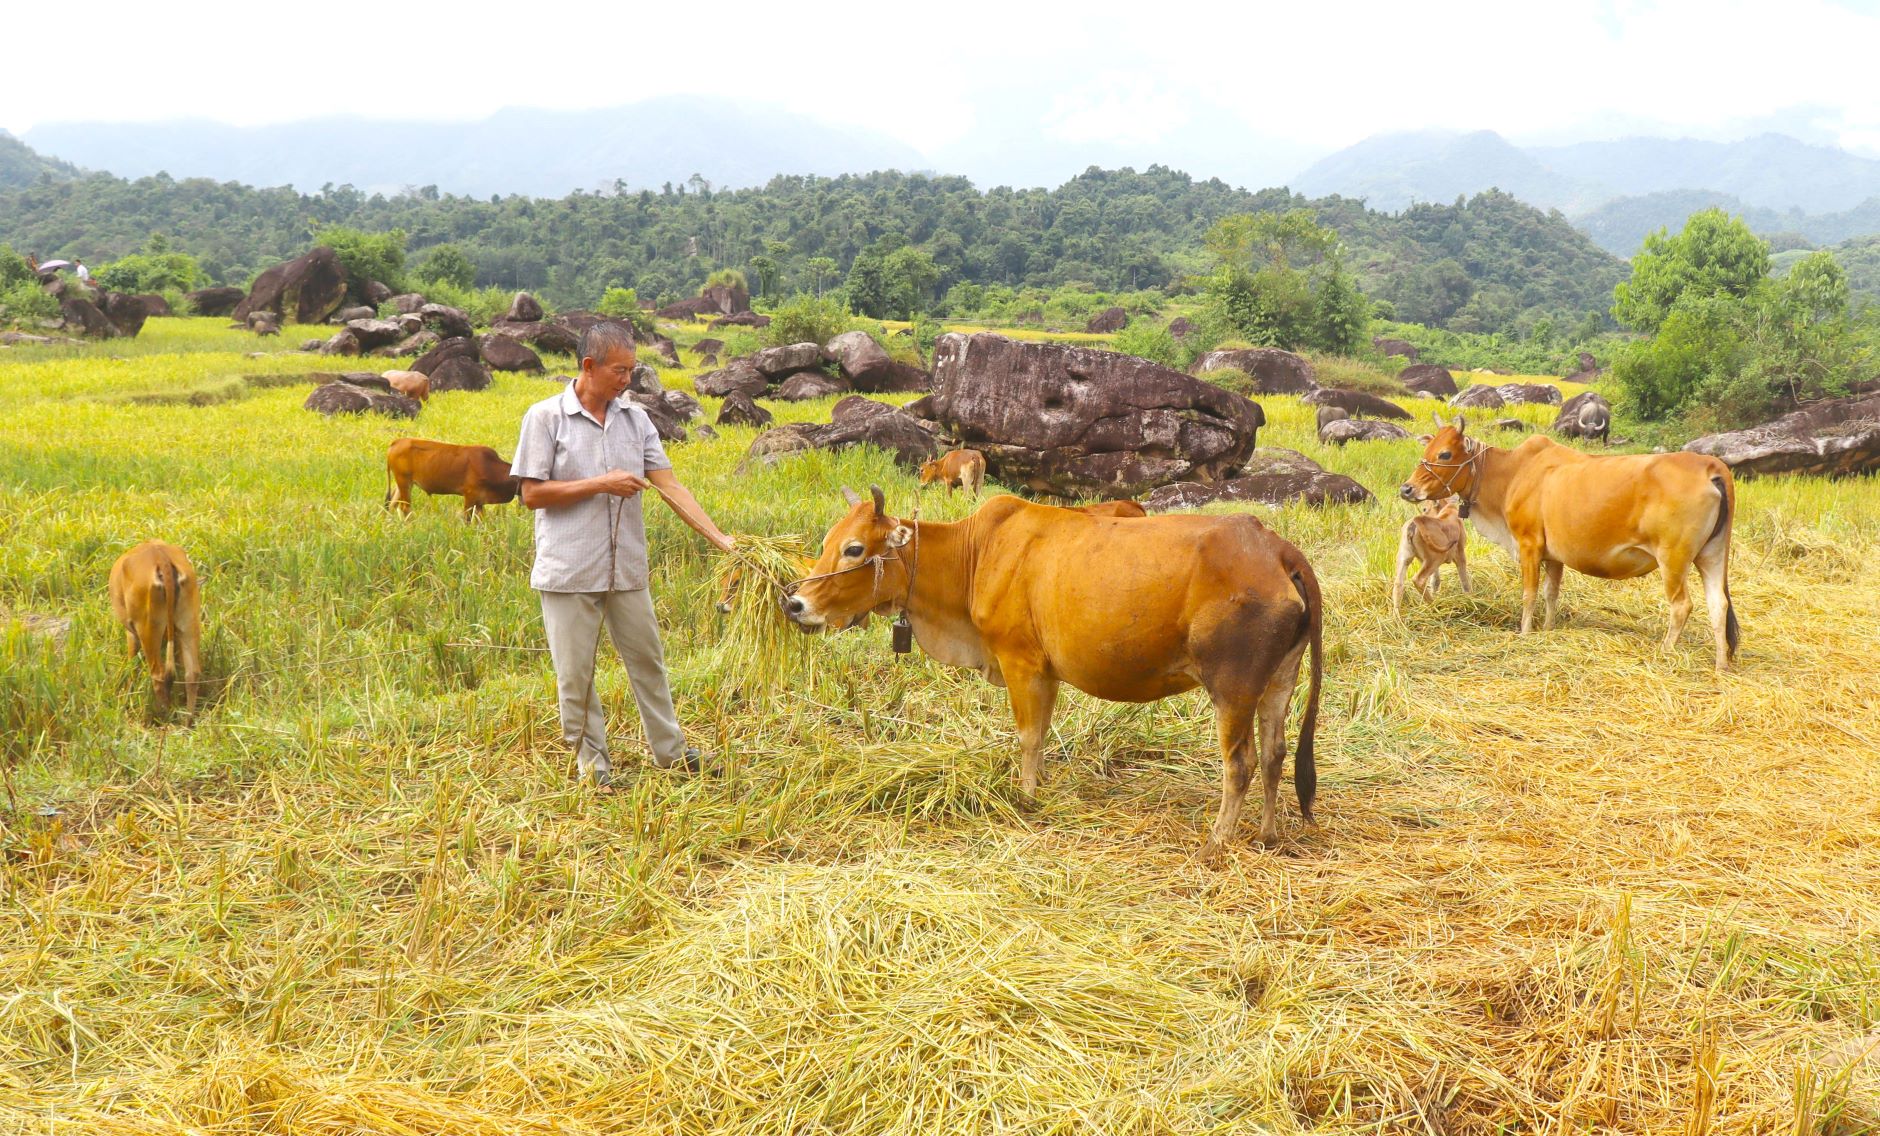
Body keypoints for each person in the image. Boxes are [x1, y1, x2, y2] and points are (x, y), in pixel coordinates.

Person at [512, 321, 734, 785]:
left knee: (648, 661)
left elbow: (670, 486)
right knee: (577, 676)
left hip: (626, 567)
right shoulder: (545, 417)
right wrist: (601, 484)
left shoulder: (636, 419)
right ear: (589, 367)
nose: (627, 380)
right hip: (569, 571)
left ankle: (671, 753)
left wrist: (723, 540)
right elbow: (531, 494)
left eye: (632, 370)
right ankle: (593, 768)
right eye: (619, 370)